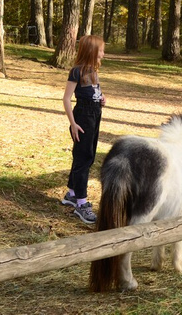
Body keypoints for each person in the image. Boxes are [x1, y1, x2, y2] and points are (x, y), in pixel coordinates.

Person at [61, 35, 106, 224]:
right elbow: (66, 99)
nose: (103, 54)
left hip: (95, 115)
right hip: (83, 118)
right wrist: (73, 123)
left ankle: (71, 193)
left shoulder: (93, 71)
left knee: (87, 155)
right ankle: (81, 203)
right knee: (84, 158)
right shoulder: (76, 71)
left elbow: (95, 91)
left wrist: (102, 98)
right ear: (92, 51)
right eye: (101, 50)